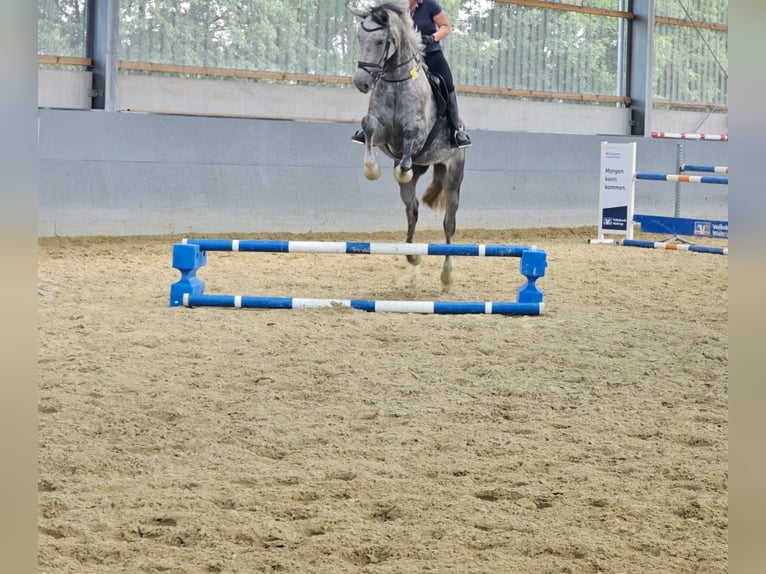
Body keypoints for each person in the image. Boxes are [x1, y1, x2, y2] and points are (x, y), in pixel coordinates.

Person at [352, 0, 472, 148]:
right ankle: (370, 129)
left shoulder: (430, 4)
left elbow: (445, 27)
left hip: (430, 53)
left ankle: (456, 131)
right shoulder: (395, 9)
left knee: (447, 83)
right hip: (403, 59)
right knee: (380, 80)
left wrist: (433, 37)